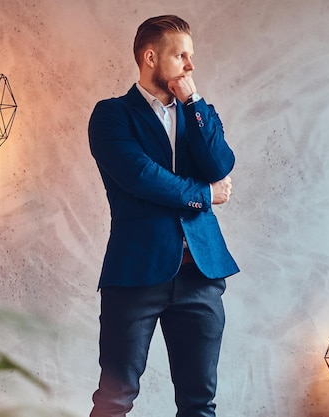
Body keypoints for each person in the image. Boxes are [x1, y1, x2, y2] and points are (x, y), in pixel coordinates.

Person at [88, 15, 239, 417]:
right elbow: (141, 177)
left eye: (192, 57)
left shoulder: (199, 113)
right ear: (151, 57)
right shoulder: (112, 115)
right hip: (136, 272)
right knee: (115, 399)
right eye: (182, 56)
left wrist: (193, 103)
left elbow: (220, 164)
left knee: (199, 403)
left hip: (200, 276)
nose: (190, 66)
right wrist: (205, 195)